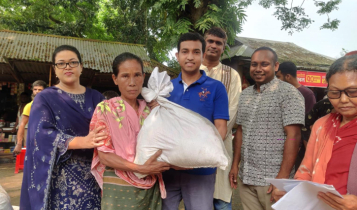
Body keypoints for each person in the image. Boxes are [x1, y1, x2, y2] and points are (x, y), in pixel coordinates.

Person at [20, 45, 107, 210]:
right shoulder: (45, 98)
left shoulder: (97, 97)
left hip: (95, 175)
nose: (67, 67)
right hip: (61, 179)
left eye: (73, 62)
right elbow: (40, 135)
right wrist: (81, 141)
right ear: (55, 69)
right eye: (61, 63)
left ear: (81, 67)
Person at [272, 54, 357, 210]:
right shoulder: (322, 125)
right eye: (334, 92)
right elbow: (306, 170)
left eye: (352, 91)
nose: (343, 100)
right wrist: (292, 193)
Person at [90, 52, 170, 210]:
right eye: (125, 76)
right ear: (115, 79)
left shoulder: (151, 109)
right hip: (118, 186)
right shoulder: (105, 109)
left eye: (137, 75)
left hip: (150, 186)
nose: (132, 82)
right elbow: (105, 155)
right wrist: (140, 168)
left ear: (143, 77)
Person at [229, 47, 305, 210]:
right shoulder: (245, 95)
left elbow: (294, 136)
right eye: (254, 64)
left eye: (264, 64)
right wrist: (235, 165)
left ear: (276, 66)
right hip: (246, 177)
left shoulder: (289, 93)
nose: (258, 69)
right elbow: (241, 130)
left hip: (271, 180)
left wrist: (282, 178)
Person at [161, 32, 229, 210]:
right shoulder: (166, 88)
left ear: (203, 55)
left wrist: (198, 156)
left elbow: (220, 128)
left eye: (196, 52)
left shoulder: (216, 88)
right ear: (177, 56)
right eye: (185, 51)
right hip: (168, 169)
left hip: (201, 171)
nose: (190, 57)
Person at [200, 27, 242, 210]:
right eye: (210, 41)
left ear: (224, 47)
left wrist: (214, 136)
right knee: (198, 198)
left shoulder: (231, 75)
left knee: (222, 200)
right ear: (203, 43)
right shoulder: (191, 69)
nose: (213, 46)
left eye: (219, 43)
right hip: (194, 147)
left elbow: (234, 109)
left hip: (222, 144)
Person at [276, 61, 316, 170]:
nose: (276, 80)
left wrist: (306, 149)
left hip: (296, 142)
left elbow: (307, 124)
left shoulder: (306, 94)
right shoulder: (279, 92)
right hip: (280, 140)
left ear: (288, 76)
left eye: (278, 76)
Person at [13, 80, 46, 155]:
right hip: (33, 138)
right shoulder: (29, 106)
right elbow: (22, 124)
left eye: (40, 90)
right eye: (35, 89)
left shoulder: (50, 104)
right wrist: (18, 144)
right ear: (32, 91)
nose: (37, 91)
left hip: (48, 138)